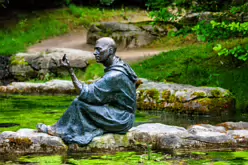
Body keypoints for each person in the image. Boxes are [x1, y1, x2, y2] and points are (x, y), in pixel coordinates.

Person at [37, 37, 138, 146]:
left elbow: (86, 93)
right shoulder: (121, 64)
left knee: (79, 103)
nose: (95, 53)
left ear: (110, 51)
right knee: (83, 103)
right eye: (95, 49)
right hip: (122, 115)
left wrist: (71, 71)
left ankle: (58, 130)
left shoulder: (114, 75)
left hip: (121, 119)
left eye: (99, 49)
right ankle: (64, 129)